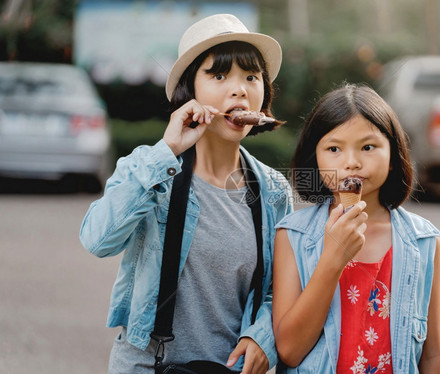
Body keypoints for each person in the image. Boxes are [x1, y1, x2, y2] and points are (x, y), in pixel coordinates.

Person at [80, 14, 292, 374]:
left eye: (251, 77)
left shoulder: (272, 191)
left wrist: (262, 337)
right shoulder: (148, 168)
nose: (239, 89)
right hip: (148, 366)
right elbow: (97, 239)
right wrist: (167, 149)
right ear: (190, 90)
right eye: (219, 75)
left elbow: (280, 290)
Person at [272, 84, 440, 373]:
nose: (351, 162)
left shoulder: (424, 241)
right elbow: (289, 351)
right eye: (334, 148)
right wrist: (333, 257)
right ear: (315, 160)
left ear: (393, 156)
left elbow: (432, 356)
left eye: (368, 147)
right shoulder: (292, 235)